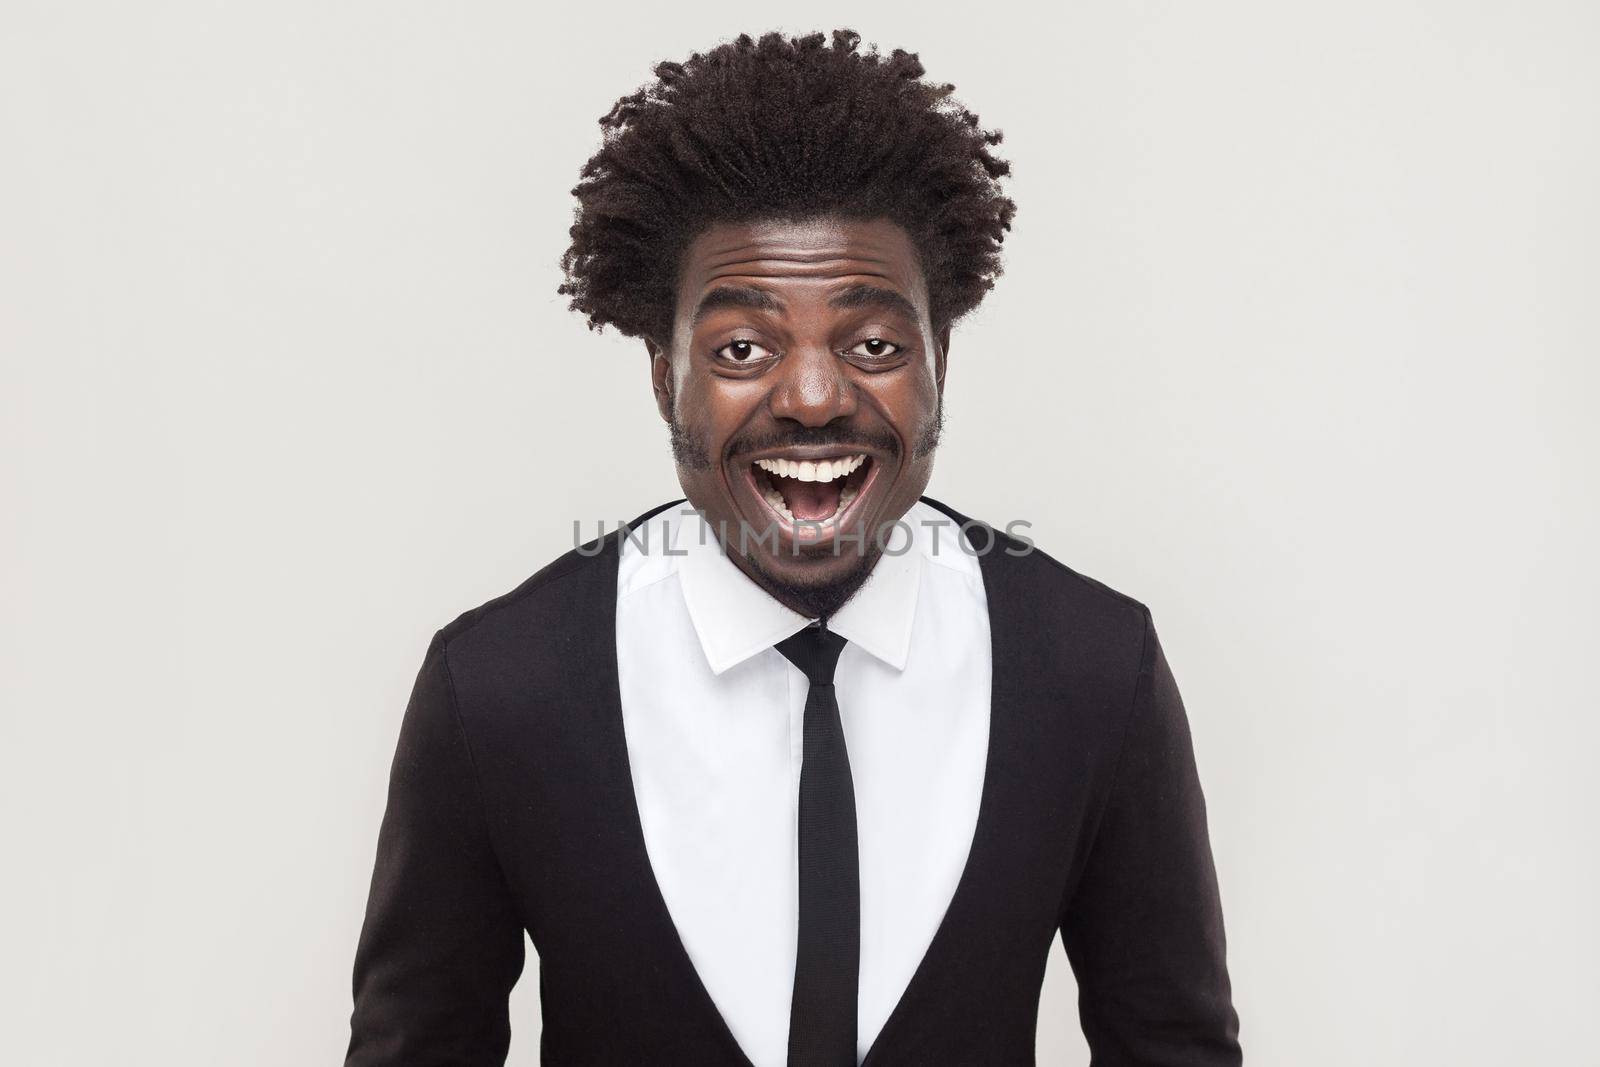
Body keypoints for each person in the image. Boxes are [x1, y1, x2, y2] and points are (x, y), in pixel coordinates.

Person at [345, 28, 1241, 1067]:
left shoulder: (1093, 666)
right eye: (741, 348)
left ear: (938, 358)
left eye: (872, 344)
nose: (813, 398)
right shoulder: (498, 687)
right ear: (660, 369)